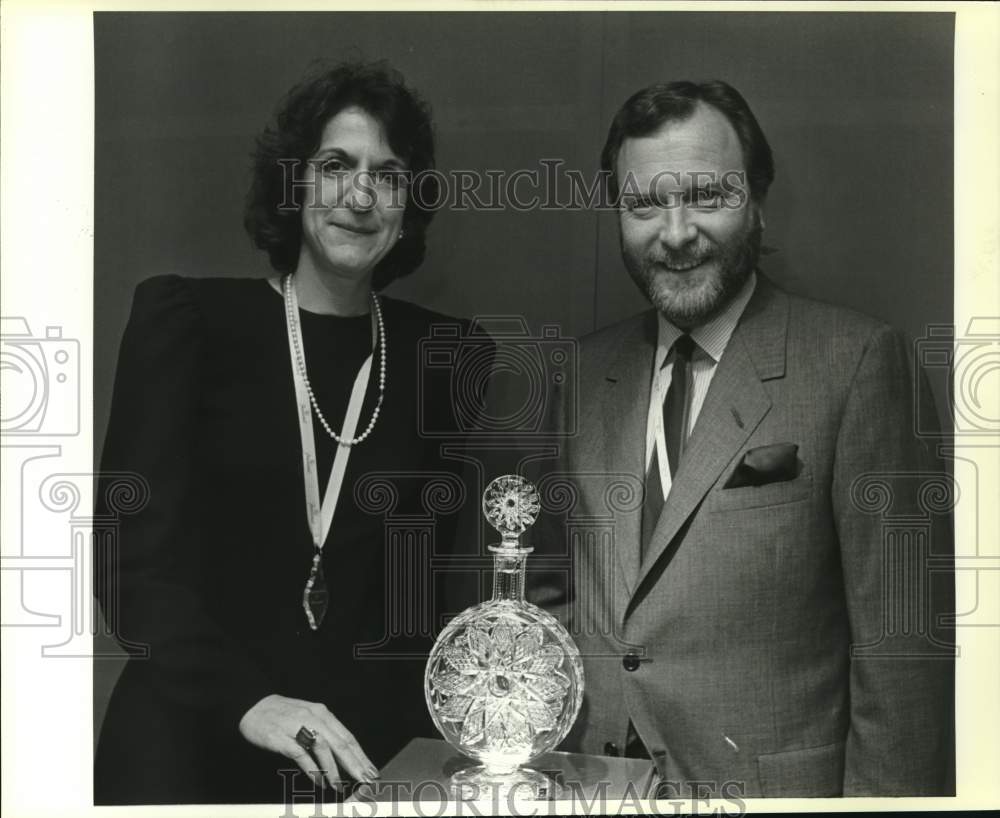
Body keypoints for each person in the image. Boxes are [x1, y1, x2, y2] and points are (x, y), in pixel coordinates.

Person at [530, 80, 954, 797]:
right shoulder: (580, 374)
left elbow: (903, 659)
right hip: (593, 789)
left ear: (757, 199)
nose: (675, 233)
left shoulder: (857, 363)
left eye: (706, 196)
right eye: (644, 204)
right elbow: (552, 606)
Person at [94, 61, 473, 804]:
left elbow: (430, 601)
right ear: (293, 184)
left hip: (358, 764)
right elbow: (127, 569)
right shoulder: (189, 324)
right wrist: (251, 703)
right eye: (335, 166)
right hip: (189, 748)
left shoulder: (444, 357)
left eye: (388, 176)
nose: (360, 196)